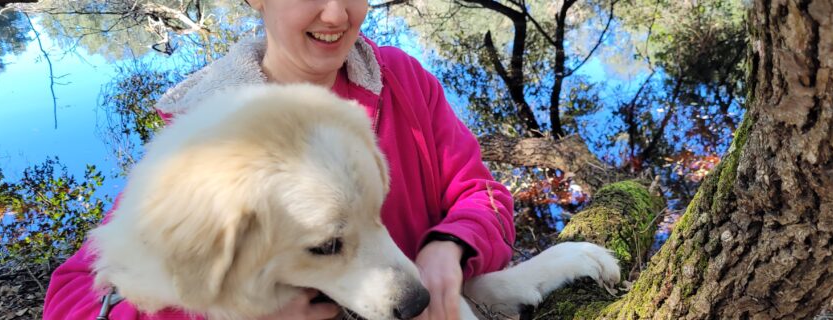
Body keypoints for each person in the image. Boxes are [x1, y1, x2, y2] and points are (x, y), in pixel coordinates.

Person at [42, 0, 515, 319]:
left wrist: (449, 246)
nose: (335, 13)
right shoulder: (204, 145)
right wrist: (233, 308)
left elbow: (482, 194)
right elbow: (72, 299)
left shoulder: (404, 81)